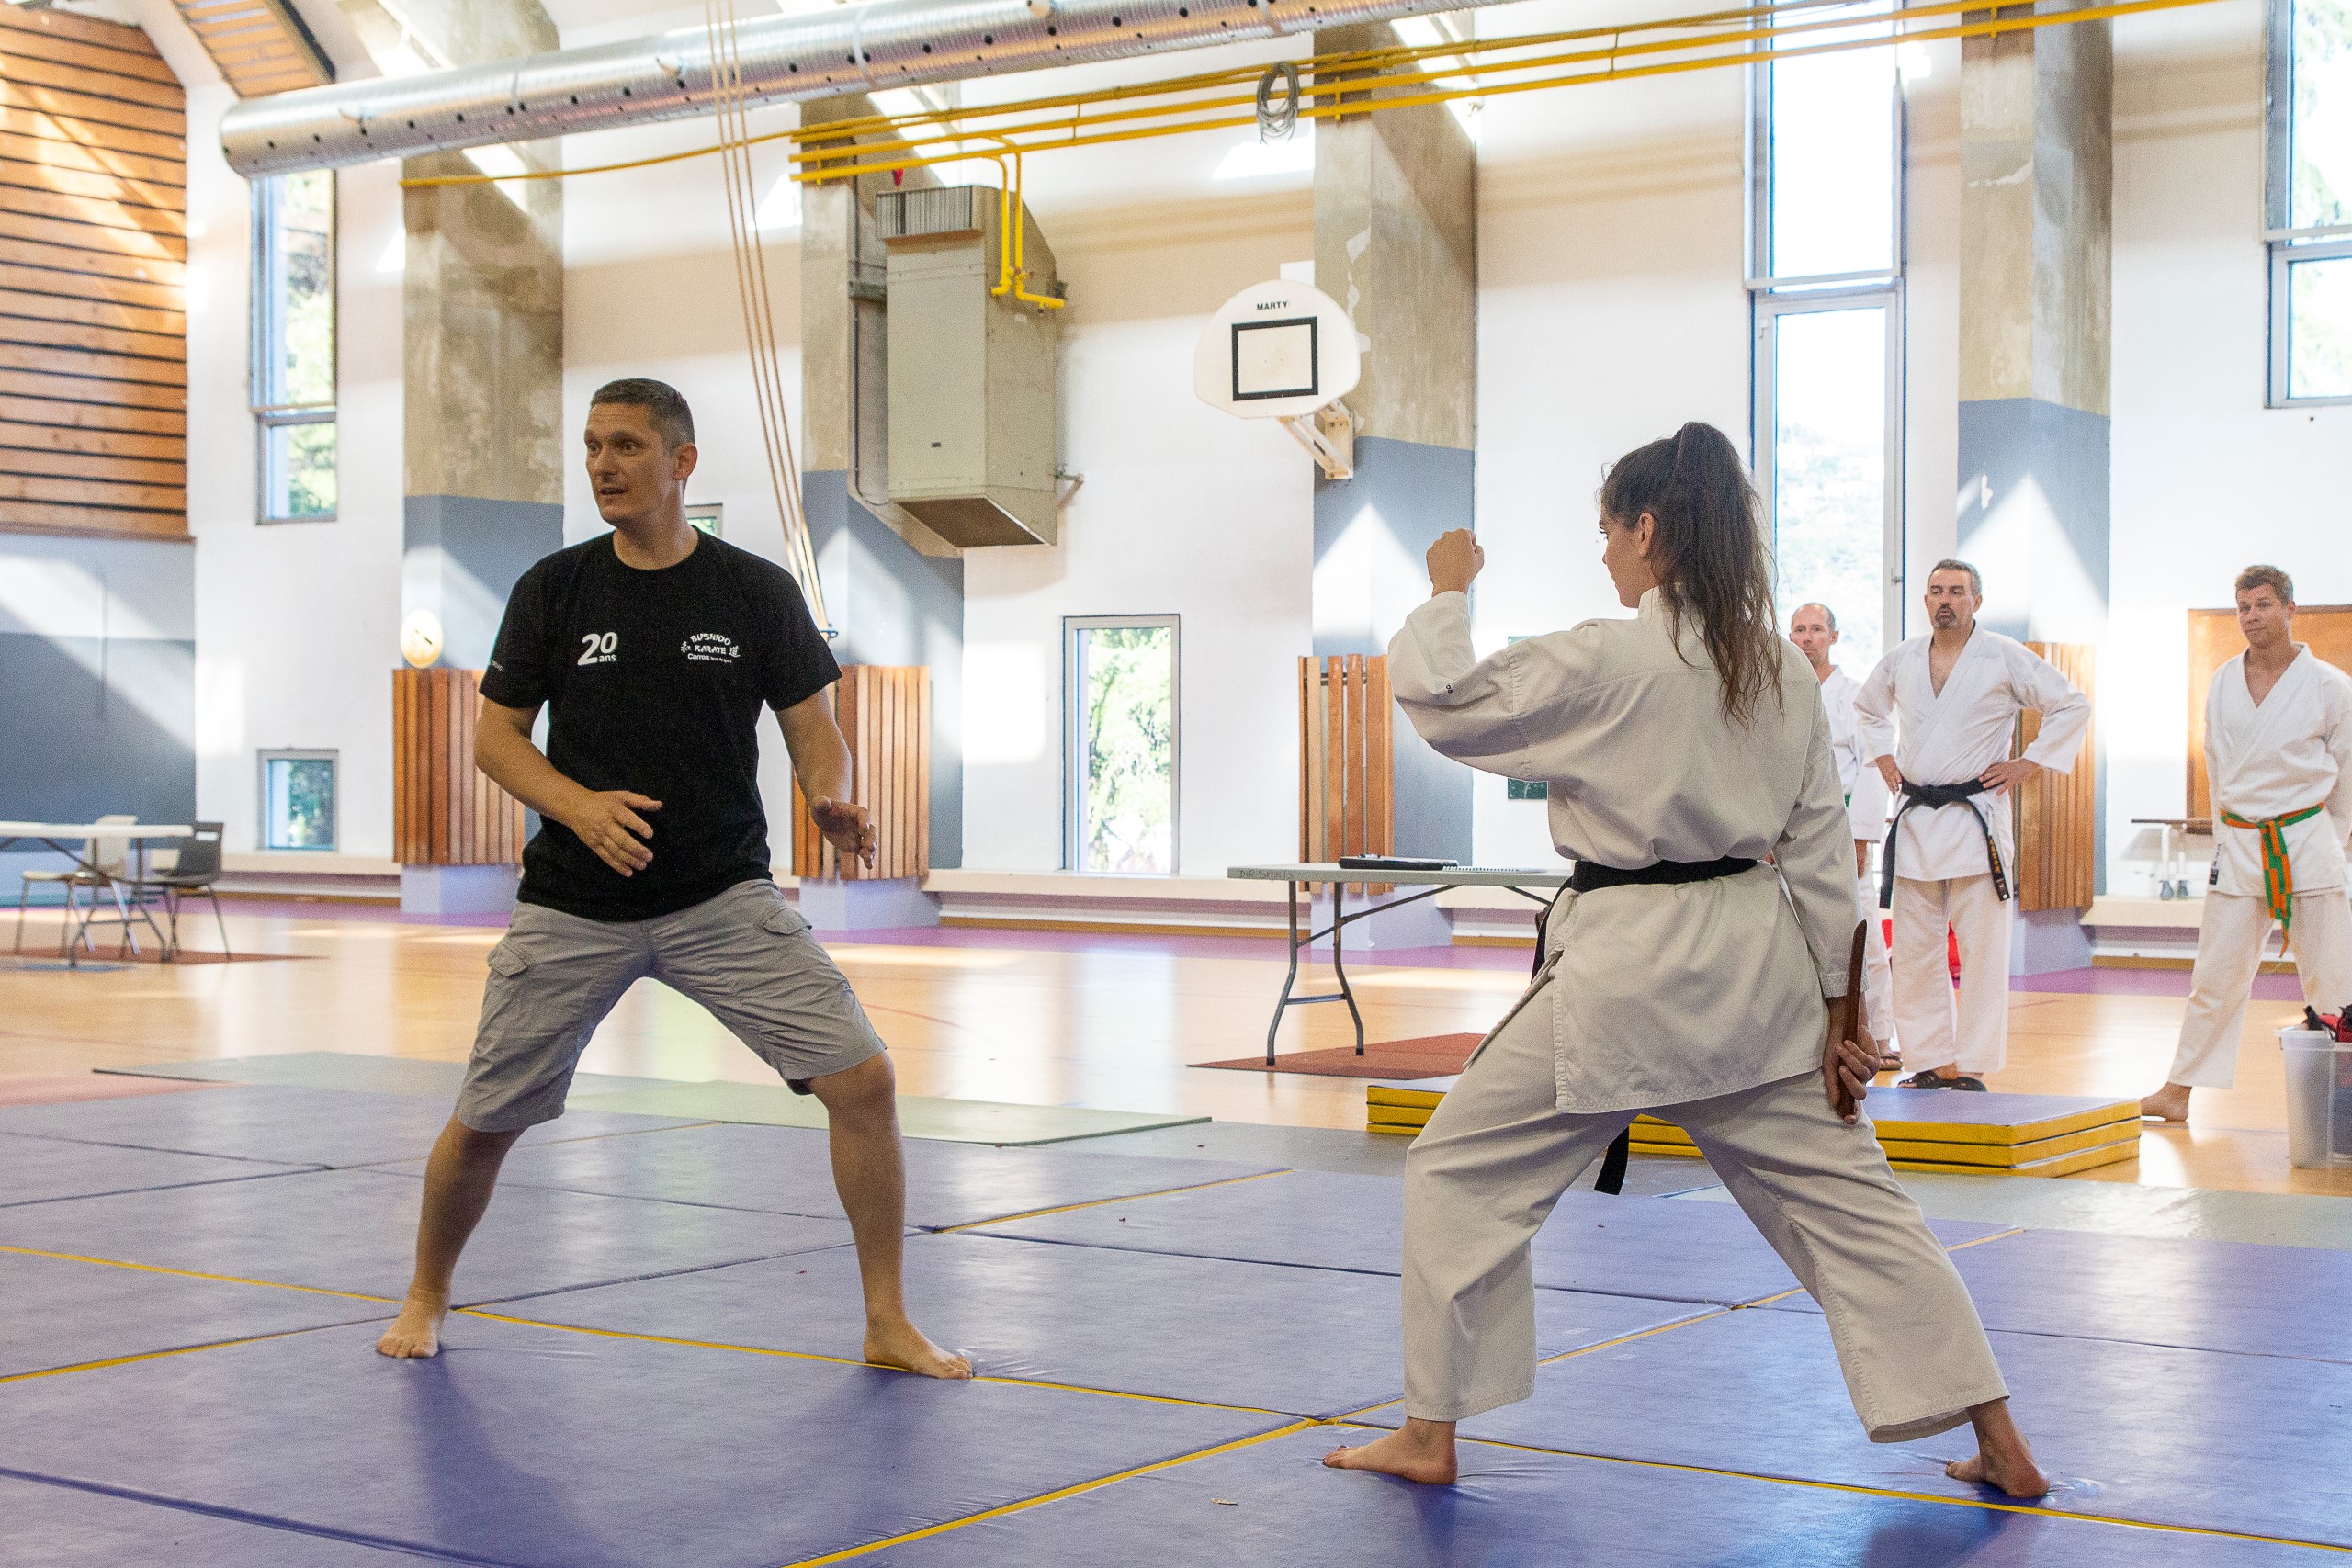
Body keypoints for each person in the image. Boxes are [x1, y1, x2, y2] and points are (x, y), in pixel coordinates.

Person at [1323, 423, 2045, 1497]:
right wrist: (1842, 1019)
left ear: (1647, 530)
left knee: (1457, 1169)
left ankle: (1431, 1432)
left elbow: (1447, 702)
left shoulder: (1605, 657)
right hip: (1757, 975)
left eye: (1606, 532)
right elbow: (1821, 860)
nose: (1604, 554)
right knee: (1858, 1211)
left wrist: (1445, 593)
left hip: (1626, 972)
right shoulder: (1781, 669)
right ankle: (2002, 1442)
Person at [375, 378, 970, 1381]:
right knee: (483, 1122)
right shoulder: (554, 589)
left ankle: (886, 1322)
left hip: (720, 897)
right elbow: (495, 740)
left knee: (863, 1080)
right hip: (573, 906)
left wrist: (829, 798)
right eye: (592, 446)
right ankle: (426, 1293)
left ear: (682, 462)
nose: (603, 465)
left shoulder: (753, 590)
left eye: (626, 446)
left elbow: (814, 728)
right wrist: (579, 807)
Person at [1853, 563, 2088, 1091]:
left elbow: (2071, 704)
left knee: (1982, 950)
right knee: (1914, 950)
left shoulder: (2003, 655)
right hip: (1916, 818)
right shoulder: (1904, 657)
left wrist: (2030, 762)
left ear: (1976, 601)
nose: (1945, 600)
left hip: (1974, 817)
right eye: (1936, 591)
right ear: (1925, 600)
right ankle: (1930, 1059)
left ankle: (1973, 1063)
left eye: (1956, 592)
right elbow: (1867, 708)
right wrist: (1884, 755)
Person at [2142, 567, 2352, 1122]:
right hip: (2238, 843)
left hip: (2307, 838)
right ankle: (2178, 1091)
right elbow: (2215, 763)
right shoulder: (2223, 681)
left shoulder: (2330, 685)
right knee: (2215, 976)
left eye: (2262, 604)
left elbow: (2348, 779)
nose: (2251, 616)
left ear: (2290, 609)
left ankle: (2343, 1101)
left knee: (2334, 980)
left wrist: (2330, 845)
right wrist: (2225, 836)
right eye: (2243, 607)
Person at [1789, 601, 1894, 1052]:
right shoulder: (1781, 690)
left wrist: (1862, 836)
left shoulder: (1854, 696)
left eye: (1816, 629)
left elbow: (1873, 765)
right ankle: (1807, 1038)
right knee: (1797, 936)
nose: (1807, 638)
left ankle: (1881, 1034)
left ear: (1833, 637)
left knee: (1861, 930)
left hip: (1842, 826)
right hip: (1791, 830)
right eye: (1799, 629)